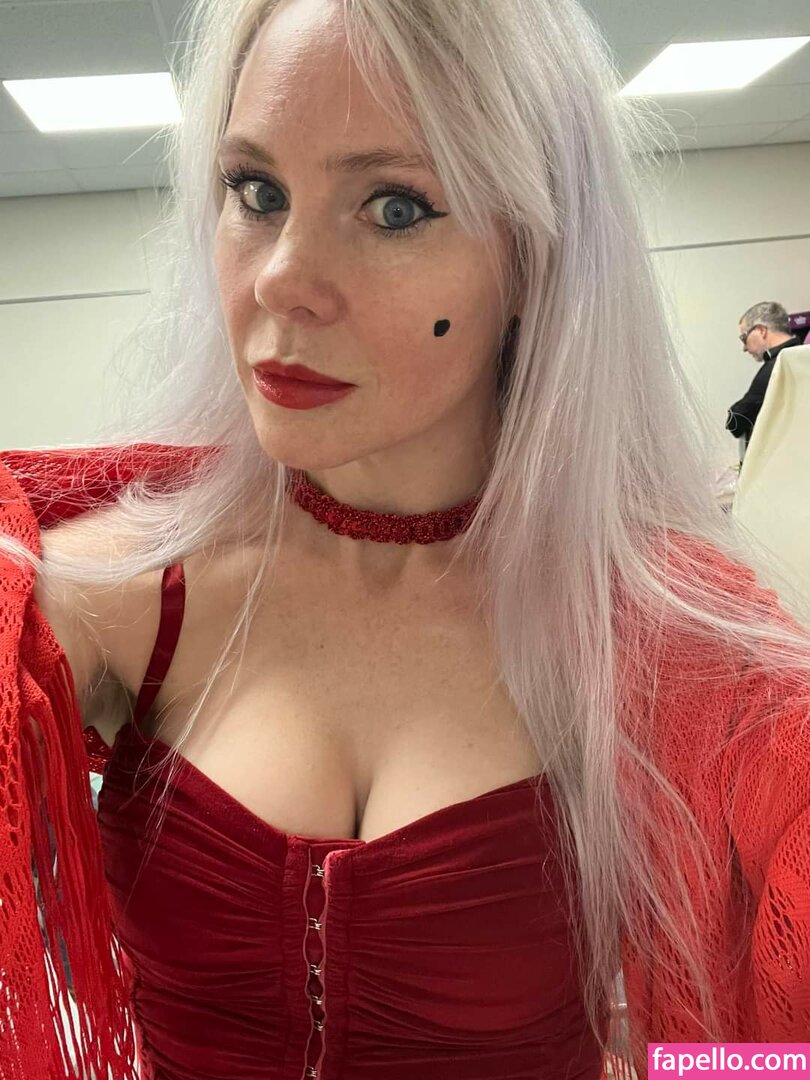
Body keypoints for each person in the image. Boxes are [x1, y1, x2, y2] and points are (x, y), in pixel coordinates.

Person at [0, 1, 809, 1078]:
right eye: (257, 192)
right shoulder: (115, 599)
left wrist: (680, 1070)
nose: (281, 278)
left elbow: (774, 1053)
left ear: (531, 261)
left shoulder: (671, 648)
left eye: (395, 207)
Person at [726, 301, 803, 447]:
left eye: (744, 337)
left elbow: (737, 422)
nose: (744, 348)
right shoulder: (801, 356)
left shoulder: (777, 366)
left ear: (761, 330)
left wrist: (733, 412)